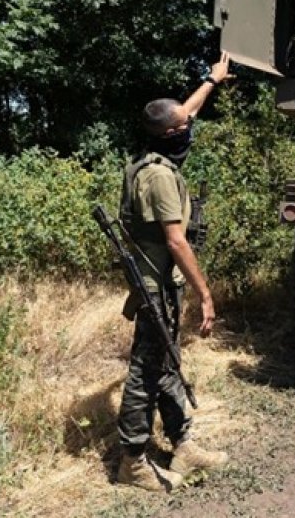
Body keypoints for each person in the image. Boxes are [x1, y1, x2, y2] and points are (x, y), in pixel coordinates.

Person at [115, 52, 233, 492]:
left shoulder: (157, 152)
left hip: (162, 284)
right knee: (146, 370)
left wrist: (211, 80)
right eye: (184, 127)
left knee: (166, 361)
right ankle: (132, 460)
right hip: (155, 286)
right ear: (169, 135)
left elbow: (186, 113)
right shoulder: (159, 177)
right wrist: (206, 294)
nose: (191, 128)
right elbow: (176, 241)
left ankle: (183, 444)